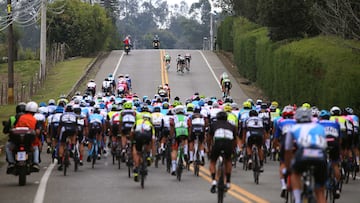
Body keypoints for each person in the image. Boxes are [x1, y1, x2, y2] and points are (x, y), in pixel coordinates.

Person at [285, 107, 327, 203]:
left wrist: (288, 168)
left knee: (295, 173)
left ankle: (298, 200)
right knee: (320, 192)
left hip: (304, 153)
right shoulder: (320, 127)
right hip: (320, 155)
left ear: (296, 118)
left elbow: (288, 150)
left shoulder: (293, 128)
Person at [208, 111, 237, 193]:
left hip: (217, 143)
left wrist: (209, 148)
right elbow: (235, 140)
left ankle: (213, 181)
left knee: (213, 161)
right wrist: (234, 150)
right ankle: (227, 182)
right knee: (228, 160)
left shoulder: (214, 124)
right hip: (228, 143)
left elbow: (209, 138)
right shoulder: (232, 125)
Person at [273, 105, 296, 198]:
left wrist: (275, 147)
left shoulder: (280, 122)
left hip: (285, 144)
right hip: (296, 144)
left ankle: (283, 185)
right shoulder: (297, 122)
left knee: (282, 163)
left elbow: (276, 138)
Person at [318, 110, 341, 199]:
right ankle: (337, 186)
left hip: (323, 143)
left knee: (320, 162)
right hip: (334, 143)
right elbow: (339, 139)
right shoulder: (335, 124)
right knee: (335, 164)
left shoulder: (318, 123)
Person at [130, 113, 154, 182]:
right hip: (147, 136)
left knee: (137, 152)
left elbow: (131, 133)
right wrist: (153, 153)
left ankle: (136, 169)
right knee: (149, 142)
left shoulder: (137, 122)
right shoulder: (150, 124)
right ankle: (148, 155)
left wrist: (132, 141)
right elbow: (153, 139)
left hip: (138, 136)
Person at [57, 104, 78, 171]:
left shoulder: (62, 115)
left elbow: (60, 126)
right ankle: (72, 148)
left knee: (62, 144)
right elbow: (76, 125)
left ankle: (60, 158)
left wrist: (58, 134)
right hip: (72, 128)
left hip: (64, 129)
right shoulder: (74, 115)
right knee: (73, 137)